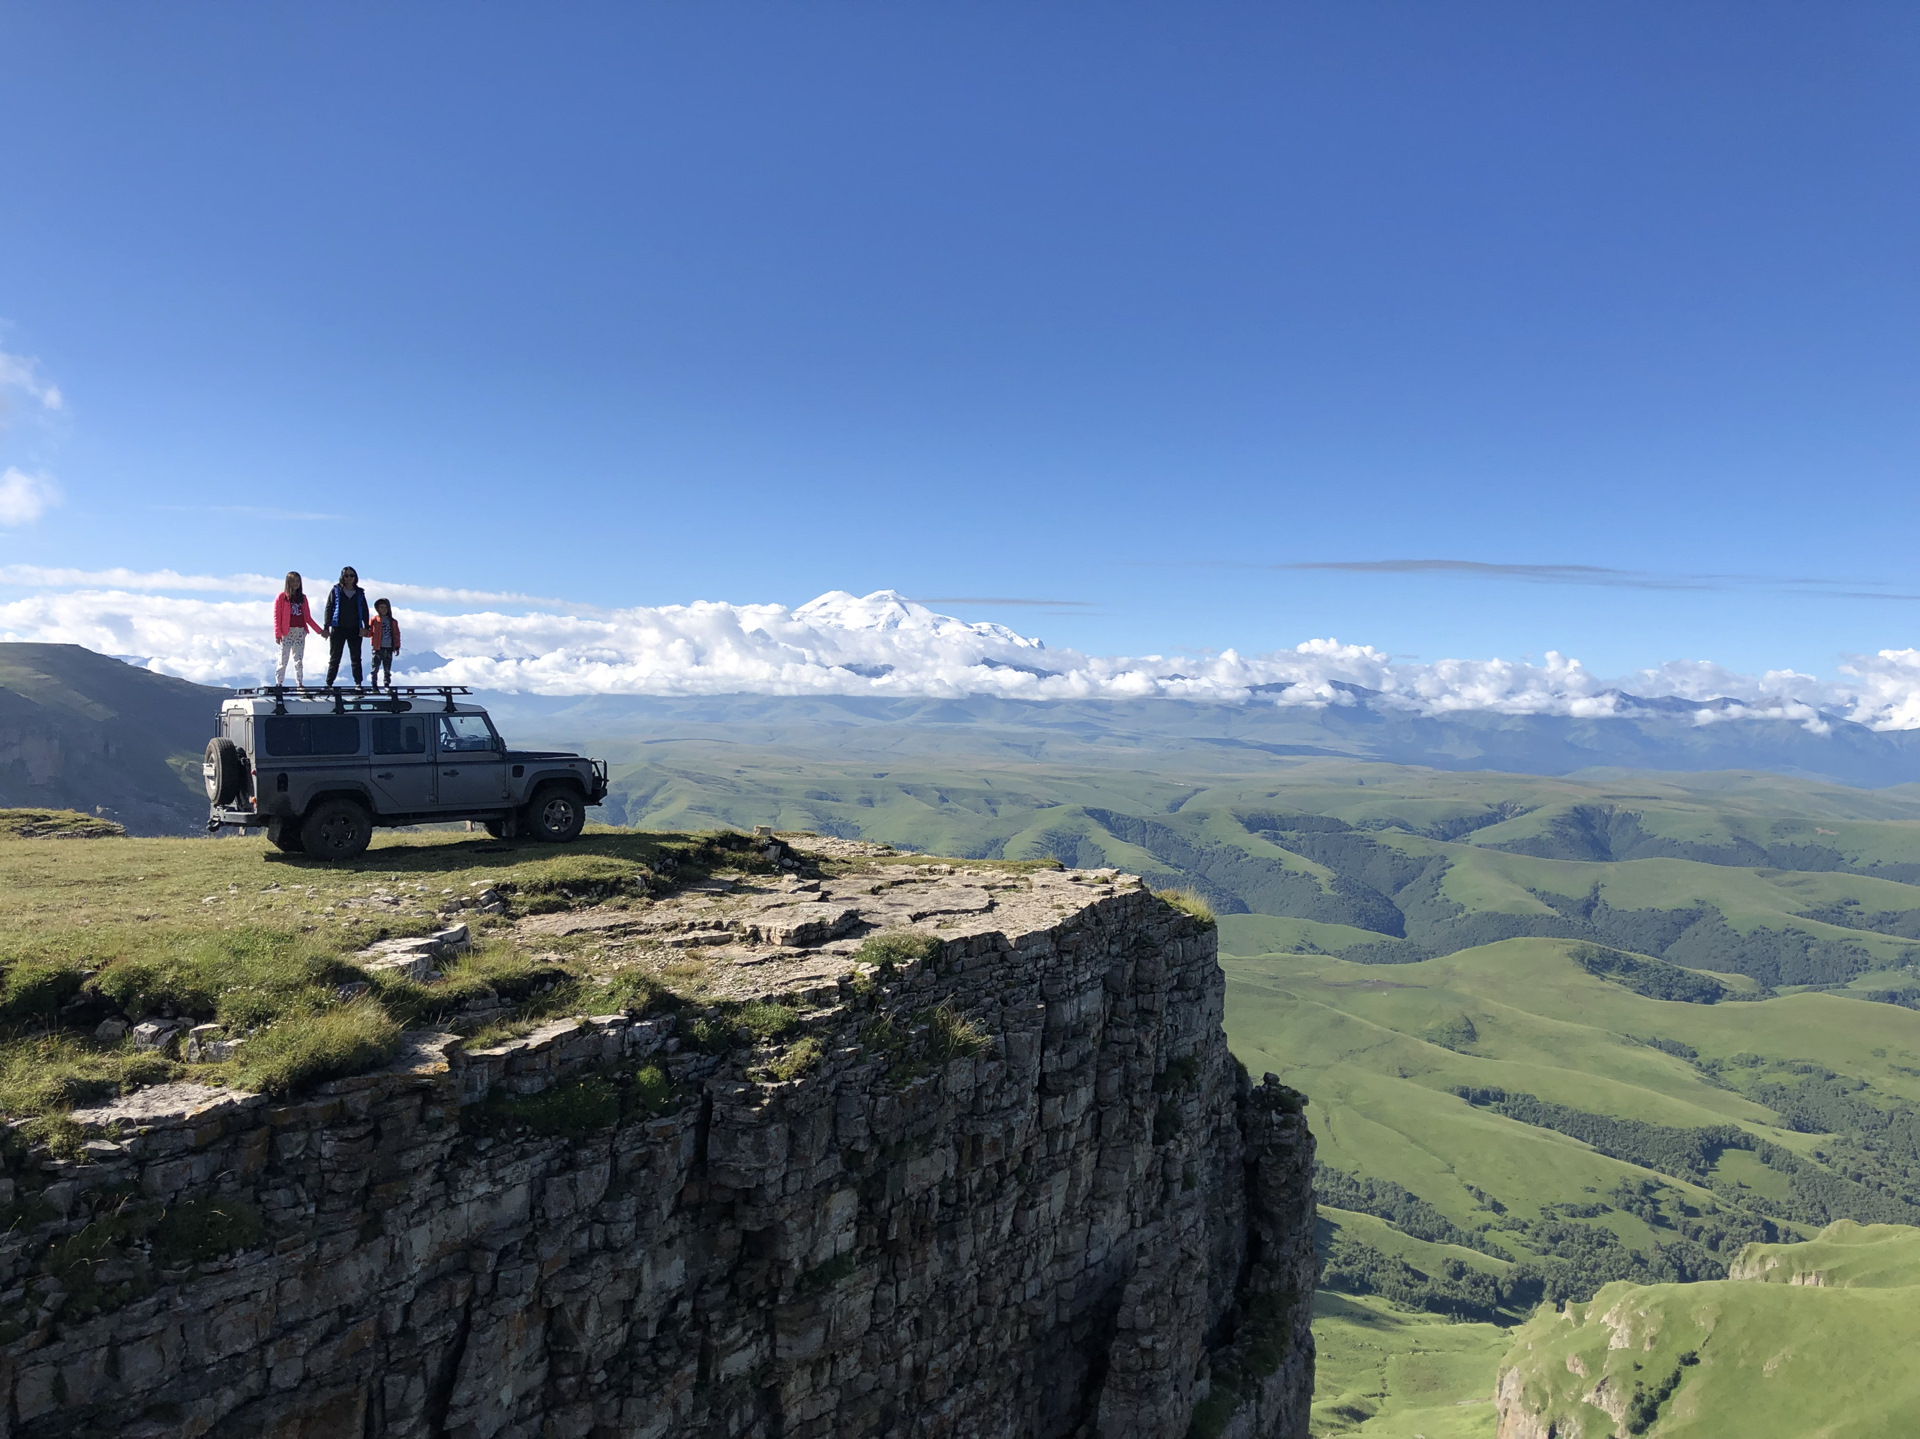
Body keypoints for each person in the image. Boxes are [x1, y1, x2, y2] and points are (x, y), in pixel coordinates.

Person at [322, 565, 372, 688]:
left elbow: (365, 610)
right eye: (346, 576)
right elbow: (329, 607)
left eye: (352, 575)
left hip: (355, 629)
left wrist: (366, 627)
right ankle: (329, 684)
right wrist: (326, 626)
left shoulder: (360, 592)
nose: (349, 578)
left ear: (355, 577)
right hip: (338, 628)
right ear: (342, 577)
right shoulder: (336, 590)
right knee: (335, 657)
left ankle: (358, 683)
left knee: (356, 658)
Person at [273, 571, 324, 687]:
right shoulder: (282, 597)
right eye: (293, 581)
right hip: (287, 632)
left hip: (300, 631)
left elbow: (308, 617)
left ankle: (299, 683)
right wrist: (277, 633)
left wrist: (320, 631)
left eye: (298, 581)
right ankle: (279, 683)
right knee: (283, 658)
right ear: (288, 582)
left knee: (299, 659)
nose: (296, 584)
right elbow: (277, 616)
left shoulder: (303, 598)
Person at [367, 597, 402, 687]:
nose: (383, 610)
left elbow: (396, 634)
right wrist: (363, 632)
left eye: (385, 607)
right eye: (381, 607)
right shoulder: (374, 620)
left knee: (387, 669)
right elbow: (369, 632)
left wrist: (397, 646)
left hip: (389, 647)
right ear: (377, 609)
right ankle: (374, 684)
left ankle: (386, 684)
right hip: (378, 647)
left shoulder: (393, 622)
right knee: (375, 668)